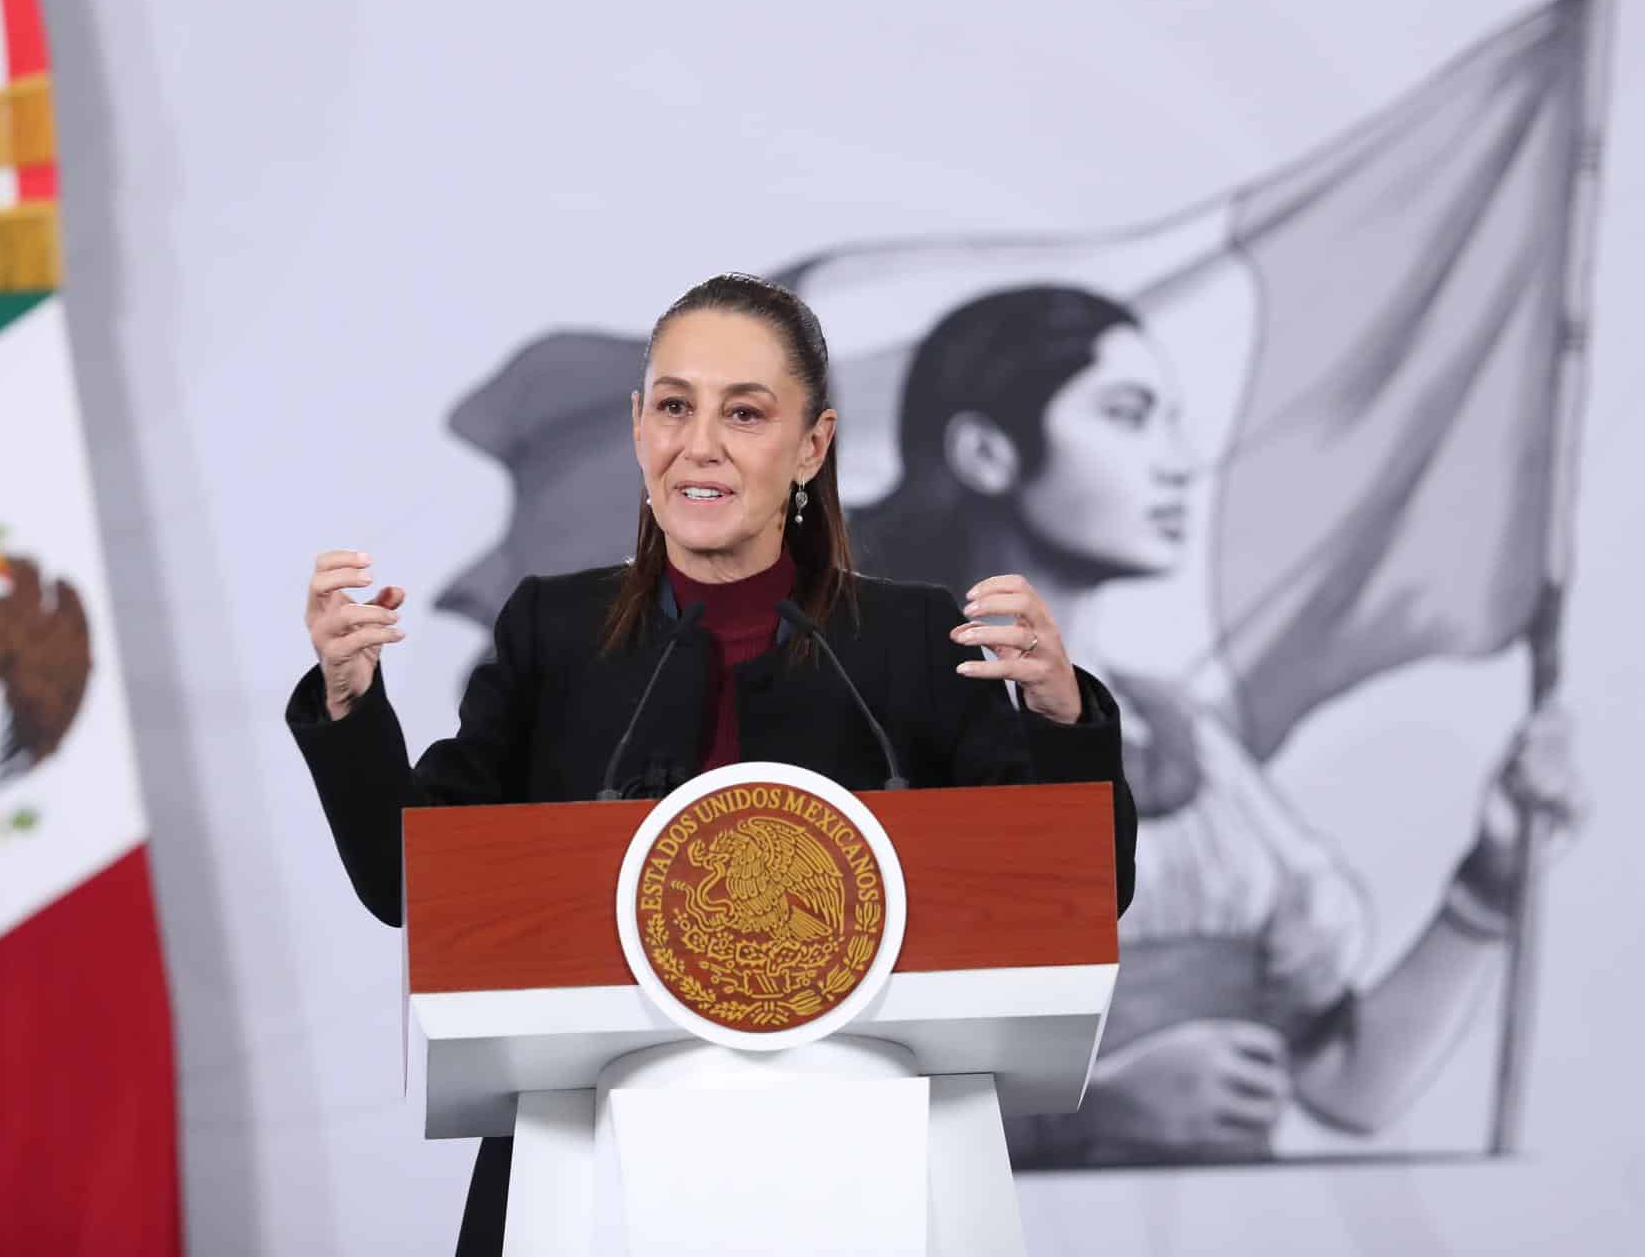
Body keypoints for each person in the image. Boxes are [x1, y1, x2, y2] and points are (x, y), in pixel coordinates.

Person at [285, 273, 1139, 1252]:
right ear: (638, 426)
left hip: (866, 1176)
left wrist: (1064, 714)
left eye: (744, 411)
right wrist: (351, 700)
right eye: (674, 406)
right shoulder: (551, 634)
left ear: (812, 445)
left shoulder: (911, 639)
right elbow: (412, 881)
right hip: (586, 1173)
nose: (701, 444)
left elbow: (1080, 894)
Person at [855, 284, 1585, 1164]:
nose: (1177, 461)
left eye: (1172, 419)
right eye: (1128, 416)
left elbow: (1349, 1085)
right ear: (986, 451)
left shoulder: (1184, 740)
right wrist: (1085, 1118)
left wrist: (1492, 879)